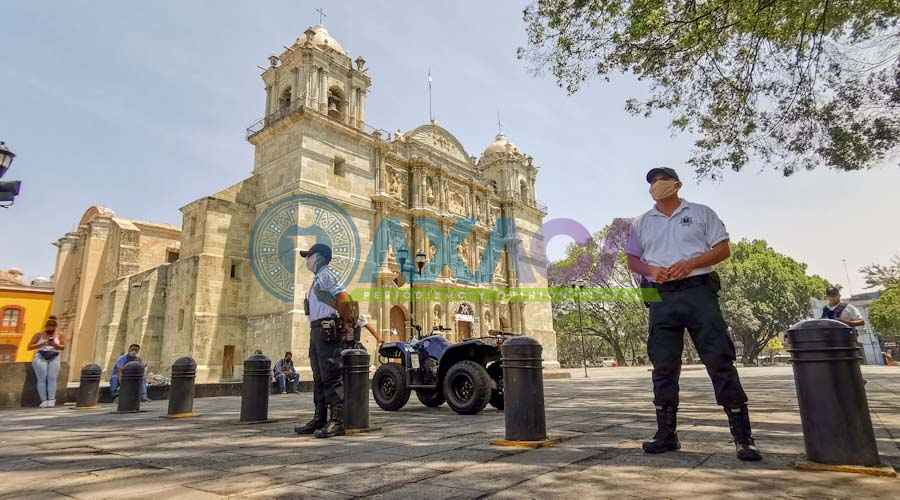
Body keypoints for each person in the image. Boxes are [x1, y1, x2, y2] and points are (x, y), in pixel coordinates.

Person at [625, 166, 762, 462]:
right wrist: (651, 275)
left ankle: (743, 437)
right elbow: (632, 260)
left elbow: (723, 249)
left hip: (699, 291)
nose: (656, 185)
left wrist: (690, 263)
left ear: (676, 184)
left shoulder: (701, 213)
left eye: (661, 180)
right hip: (662, 296)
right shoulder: (640, 223)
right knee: (663, 366)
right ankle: (666, 434)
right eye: (651, 182)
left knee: (719, 359)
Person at [293, 243, 357, 438]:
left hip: (327, 329)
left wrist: (346, 326)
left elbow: (343, 297)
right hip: (317, 330)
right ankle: (319, 417)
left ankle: (337, 420)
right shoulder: (318, 279)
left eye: (309, 256)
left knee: (331, 375)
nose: (307, 260)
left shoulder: (327, 275)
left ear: (319, 257)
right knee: (319, 376)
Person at [27, 316, 65, 408]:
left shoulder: (60, 335)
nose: (50, 329)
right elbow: (29, 347)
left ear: (55, 327)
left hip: (54, 356)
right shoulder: (38, 335)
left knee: (52, 378)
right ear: (46, 326)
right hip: (40, 356)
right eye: (49, 327)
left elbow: (63, 347)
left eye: (52, 327)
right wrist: (42, 344)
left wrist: (54, 344)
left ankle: (51, 400)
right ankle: (44, 401)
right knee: (41, 379)